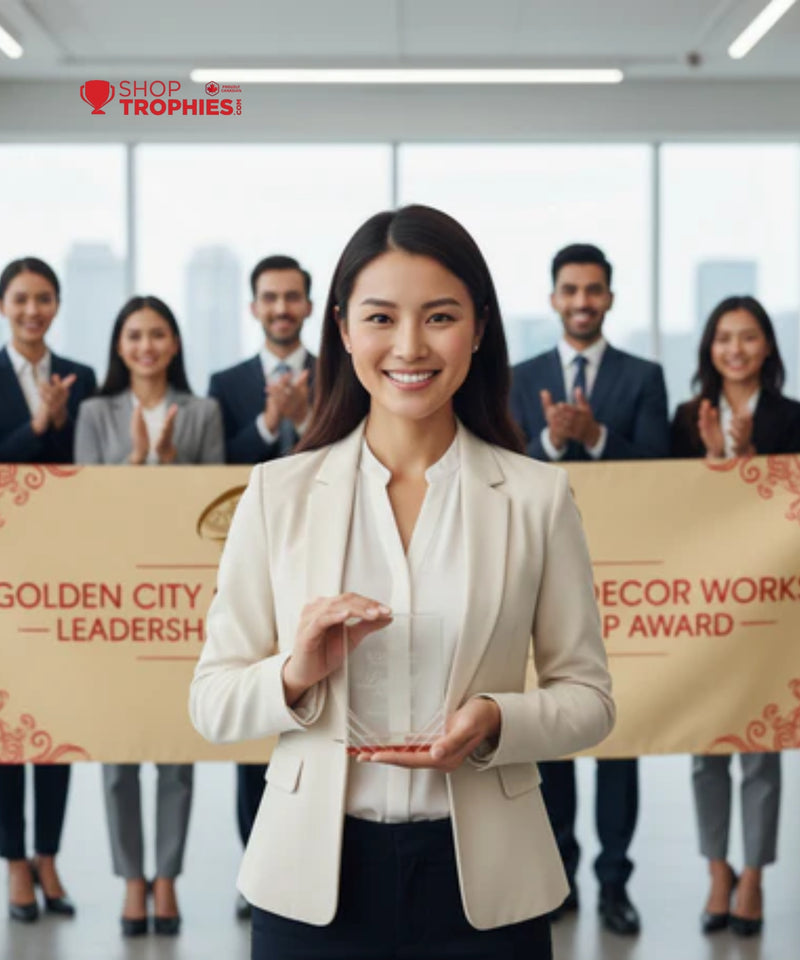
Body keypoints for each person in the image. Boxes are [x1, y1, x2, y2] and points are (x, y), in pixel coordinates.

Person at [191, 205, 615, 960]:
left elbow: (589, 701)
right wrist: (294, 673)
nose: (410, 346)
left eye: (440, 316)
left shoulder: (536, 497)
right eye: (381, 317)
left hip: (487, 883)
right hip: (312, 887)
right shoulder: (276, 493)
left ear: (479, 328)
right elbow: (212, 700)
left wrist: (495, 718)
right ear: (344, 329)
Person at [509, 243, 669, 935]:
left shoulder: (644, 377)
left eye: (594, 290)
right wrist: (550, 438)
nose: (582, 301)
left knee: (617, 736)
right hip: (542, 580)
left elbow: (666, 473)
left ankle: (614, 883)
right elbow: (506, 467)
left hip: (622, 584)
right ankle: (560, 875)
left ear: (610, 297)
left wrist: (598, 435)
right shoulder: (521, 378)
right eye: (570, 290)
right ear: (553, 297)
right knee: (551, 729)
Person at [75, 294, 224, 936]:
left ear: (175, 344)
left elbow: (214, 506)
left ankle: (166, 879)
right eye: (134, 335)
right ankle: (131, 881)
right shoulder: (94, 411)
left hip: (180, 602)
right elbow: (83, 502)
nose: (146, 345)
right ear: (118, 345)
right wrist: (134, 462)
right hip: (115, 602)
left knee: (173, 750)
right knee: (117, 753)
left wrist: (167, 464)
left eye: (157, 334)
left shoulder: (203, 411)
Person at [671, 295, 800, 938]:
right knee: (706, 744)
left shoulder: (793, 418)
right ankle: (716, 867)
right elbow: (669, 512)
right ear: (709, 348)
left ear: (768, 346)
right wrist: (709, 466)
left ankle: (754, 874)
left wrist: (749, 464)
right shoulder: (683, 417)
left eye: (748, 337)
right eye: (724, 338)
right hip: (703, 606)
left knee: (761, 746)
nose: (736, 349)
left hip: (770, 609)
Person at [207, 254, 316, 918]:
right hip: (255, 570)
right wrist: (273, 425)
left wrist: (305, 424)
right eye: (270, 298)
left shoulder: (340, 374)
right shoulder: (226, 383)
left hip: (324, 567)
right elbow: (217, 471)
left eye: (292, 298)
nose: (281, 308)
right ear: (254, 308)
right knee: (260, 712)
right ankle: (260, 871)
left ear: (309, 306)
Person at [0, 256, 95, 924]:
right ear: (5, 306)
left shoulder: (81, 379)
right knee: (7, 729)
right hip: (3, 571)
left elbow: (85, 470)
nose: (34, 310)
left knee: (55, 723)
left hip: (60, 569)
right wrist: (36, 426)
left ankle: (51, 856)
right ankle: (15, 865)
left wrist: (59, 423)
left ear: (57, 305)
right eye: (22, 299)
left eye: (45, 298)